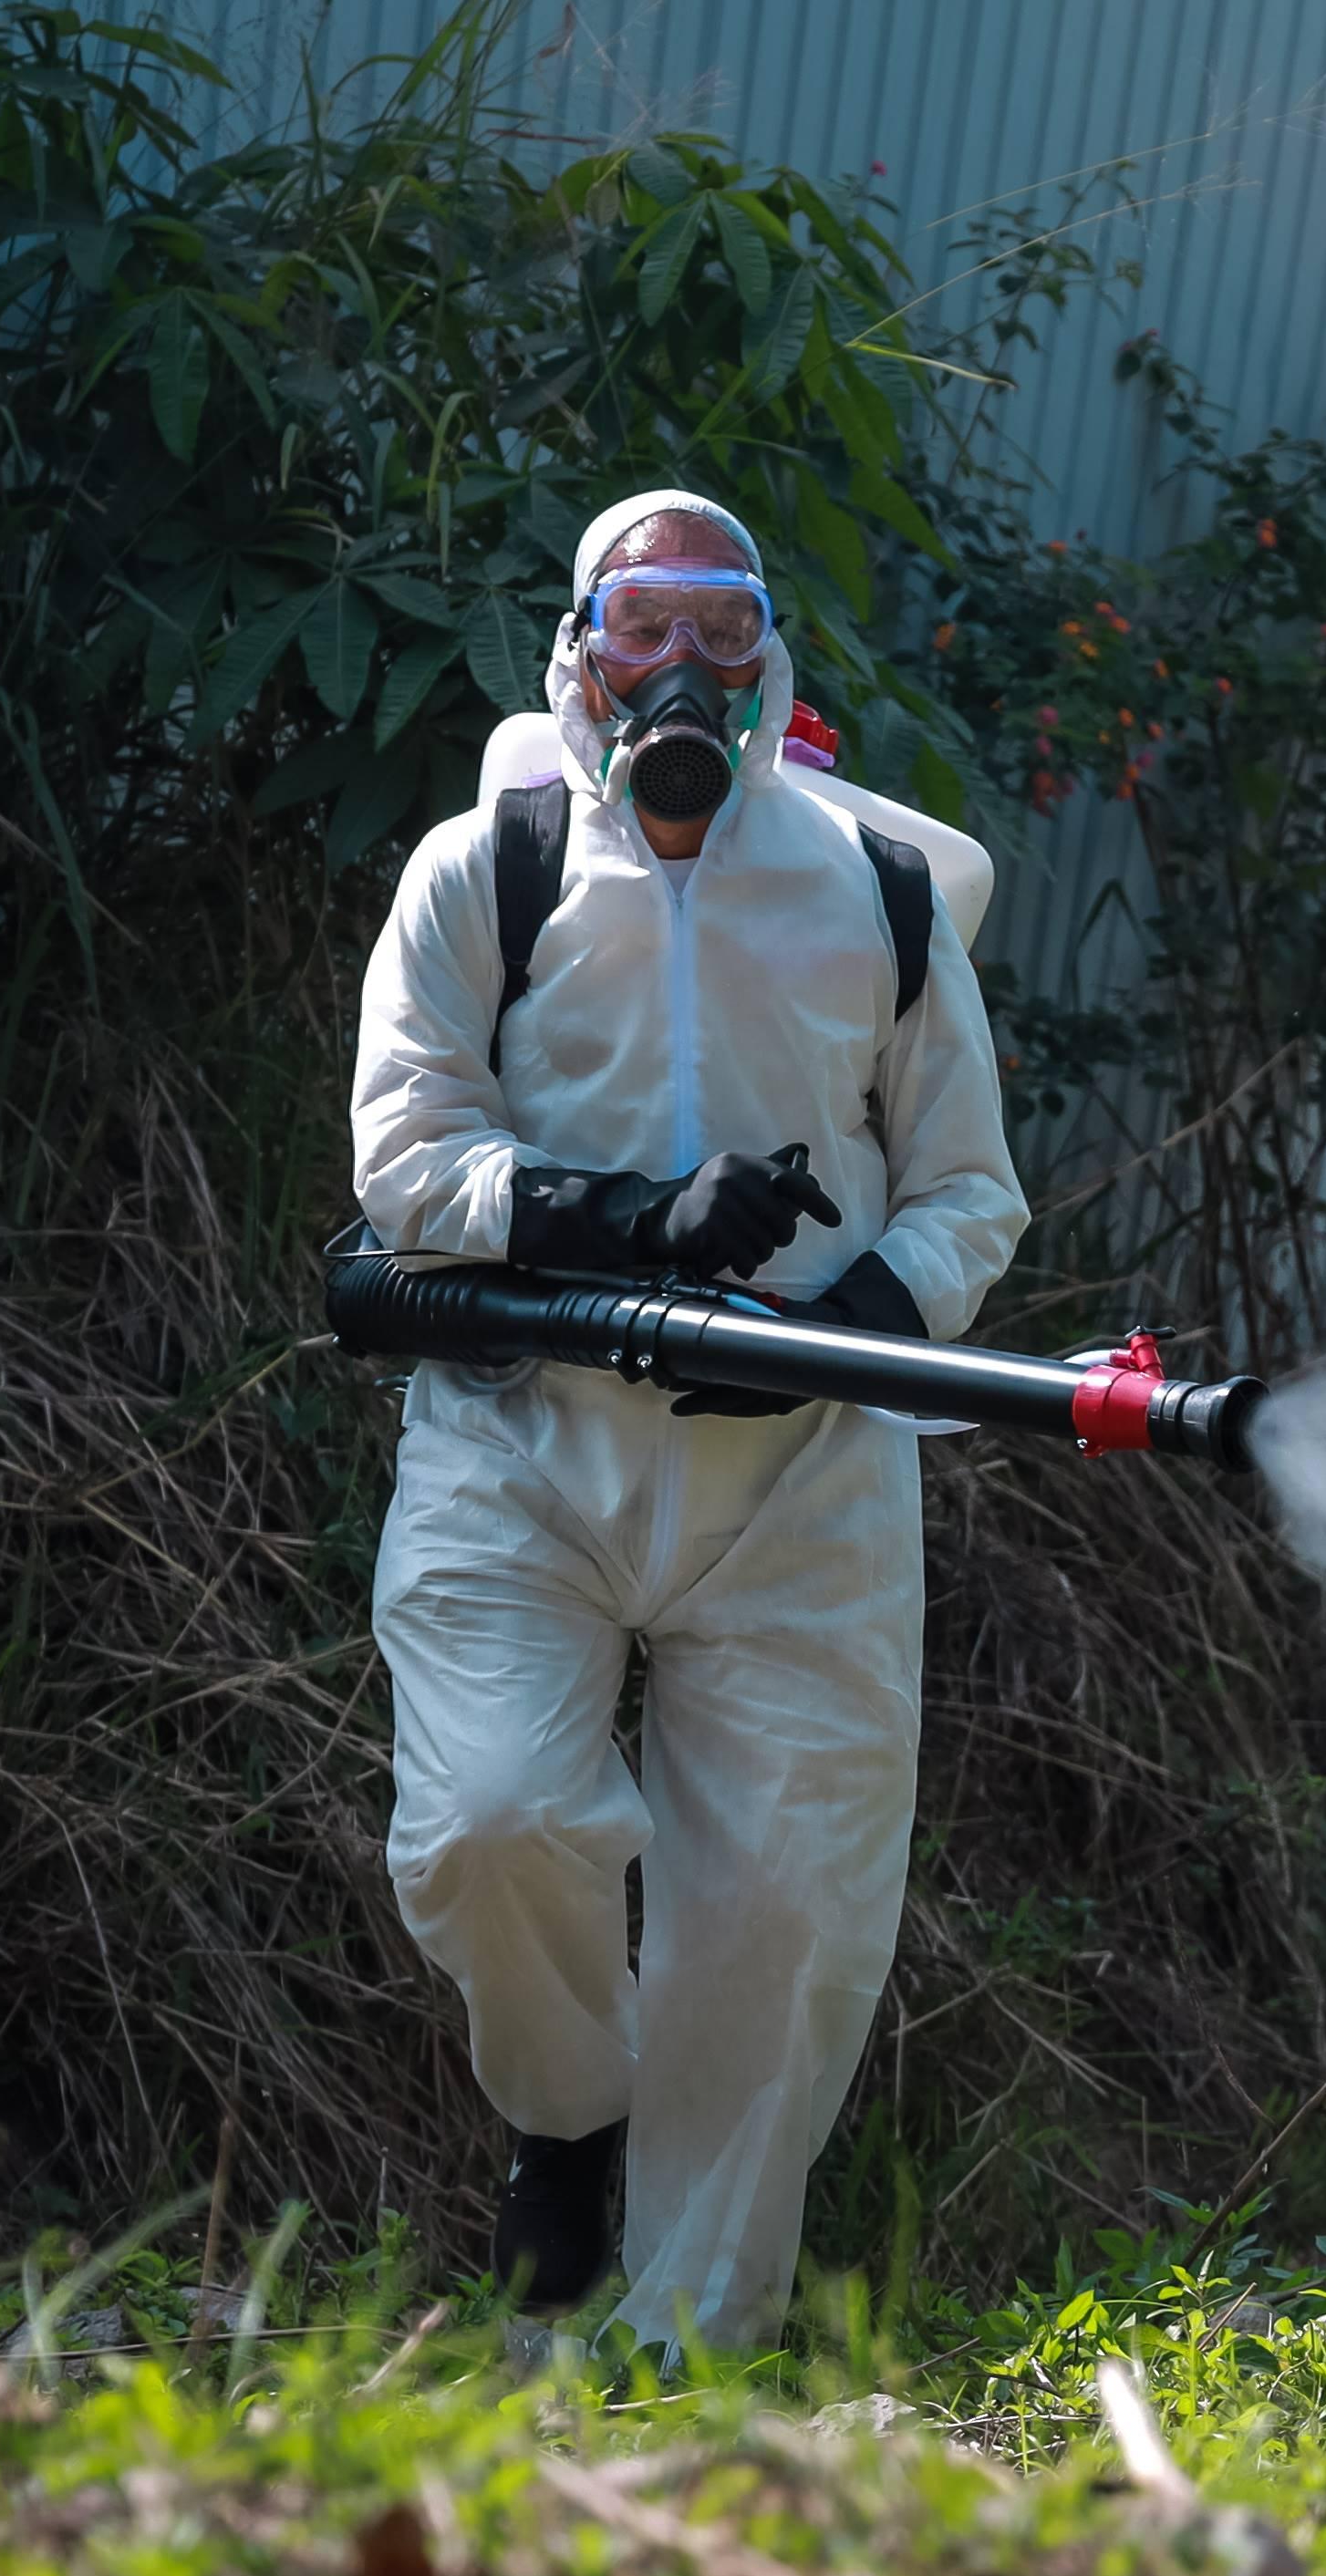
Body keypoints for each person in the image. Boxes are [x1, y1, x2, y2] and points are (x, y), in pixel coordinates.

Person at [349, 490, 1025, 2349]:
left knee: (781, 1927)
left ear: (771, 665)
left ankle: (669, 2362)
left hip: (802, 1483)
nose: (681, 670)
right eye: (641, 624)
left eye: (723, 628)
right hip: (522, 1446)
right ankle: (566, 2121)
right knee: (491, 1825)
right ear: (574, 651)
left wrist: (839, 1336)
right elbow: (405, 1154)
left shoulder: (874, 896)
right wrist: (630, 1227)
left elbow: (972, 1192)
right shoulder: (483, 865)